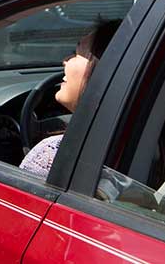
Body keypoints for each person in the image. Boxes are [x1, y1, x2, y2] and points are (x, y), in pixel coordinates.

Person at [20, 19, 121, 177]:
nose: (65, 60)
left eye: (76, 53)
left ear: (104, 70)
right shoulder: (150, 143)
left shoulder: (54, 153)